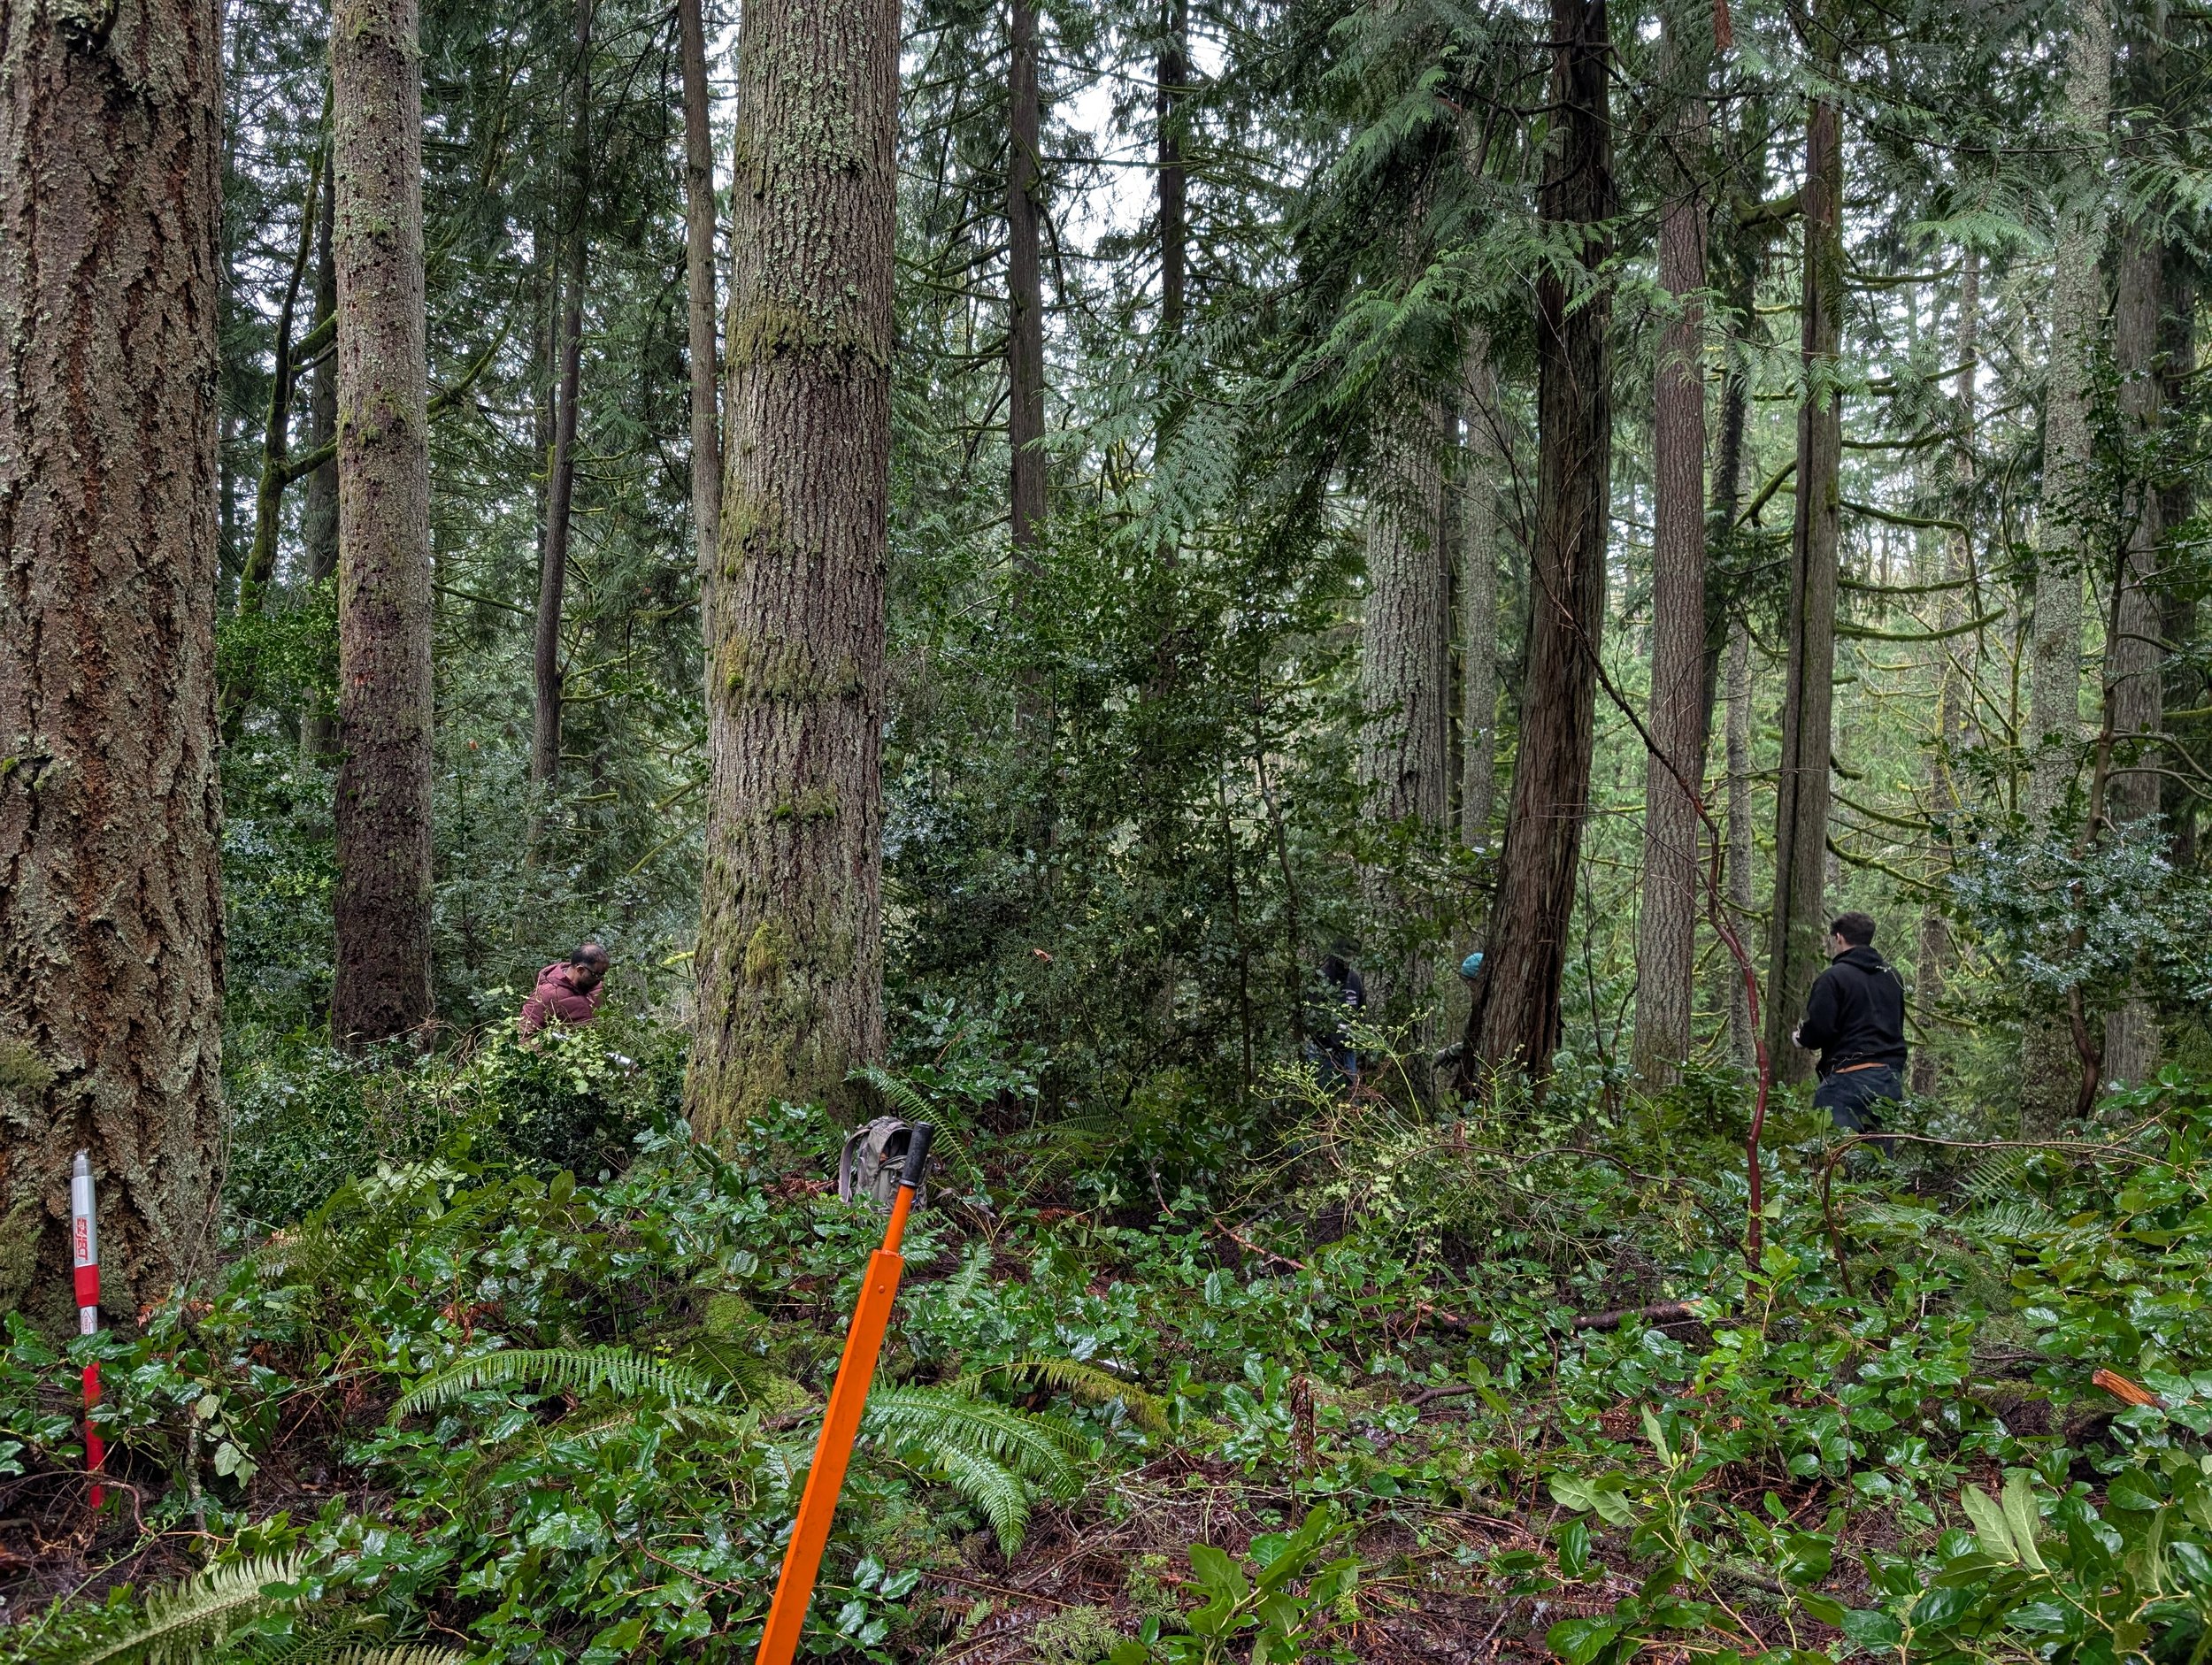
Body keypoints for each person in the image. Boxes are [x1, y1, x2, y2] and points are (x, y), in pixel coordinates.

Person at [1793, 912, 1907, 1149]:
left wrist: (1801, 1038)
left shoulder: (1832, 978)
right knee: (1879, 1165)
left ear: (1839, 938)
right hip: (1888, 1079)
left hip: (1848, 1078)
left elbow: (1820, 1029)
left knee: (1831, 1159)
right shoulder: (1893, 977)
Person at [1305, 941, 1366, 1093]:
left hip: (1348, 1052)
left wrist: (1358, 1034)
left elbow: (1361, 1011)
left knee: (1351, 1097)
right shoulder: (1320, 978)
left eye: (1350, 959)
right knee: (1325, 1097)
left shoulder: (1354, 979)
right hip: (1324, 1052)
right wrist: (1329, 1044)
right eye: (1344, 958)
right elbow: (1312, 1020)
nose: (1347, 963)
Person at [519, 941, 609, 1038]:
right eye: (596, 974)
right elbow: (525, 1034)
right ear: (580, 970)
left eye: (603, 974)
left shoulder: (597, 988)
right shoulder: (547, 993)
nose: (600, 979)